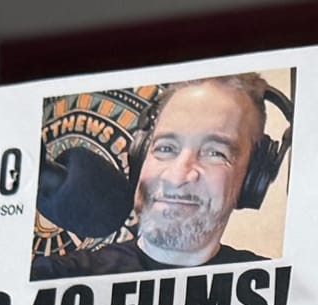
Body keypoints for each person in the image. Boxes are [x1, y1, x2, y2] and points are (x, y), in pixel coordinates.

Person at [36, 75, 275, 279]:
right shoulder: (56, 279)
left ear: (253, 179)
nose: (177, 176)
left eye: (214, 153)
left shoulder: (275, 288)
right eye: (165, 148)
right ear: (141, 155)